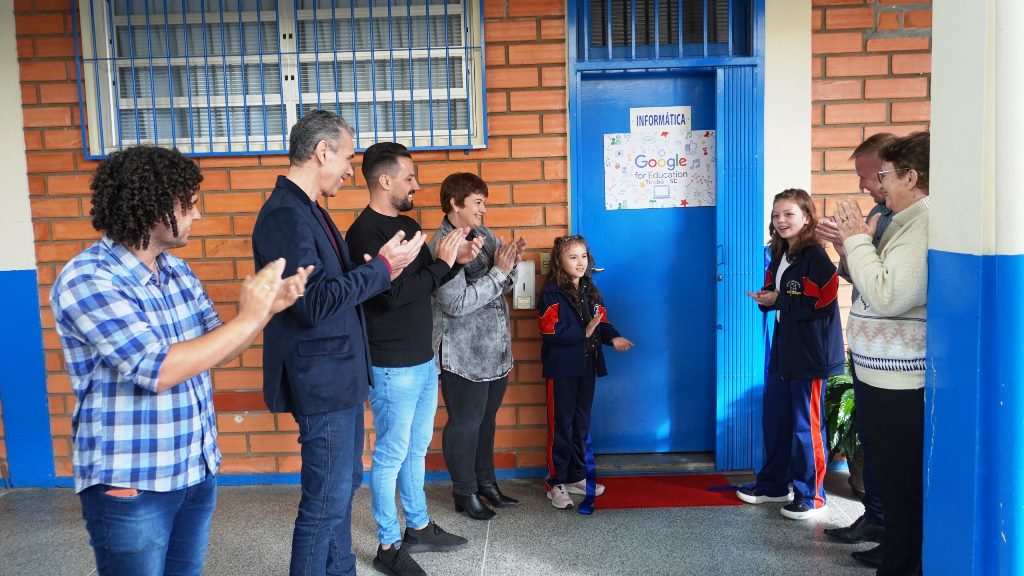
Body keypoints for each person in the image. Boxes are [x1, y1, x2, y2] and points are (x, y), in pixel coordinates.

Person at [51, 146, 310, 576]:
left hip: (194, 469)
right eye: (189, 204)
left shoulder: (177, 272)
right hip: (133, 482)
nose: (198, 215)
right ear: (153, 206)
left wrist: (266, 312)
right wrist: (249, 316)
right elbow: (159, 369)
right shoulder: (89, 279)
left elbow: (220, 346)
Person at [251, 111, 424, 576]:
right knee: (325, 502)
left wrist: (381, 267)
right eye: (347, 157)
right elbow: (313, 303)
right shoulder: (285, 215)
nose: (351, 169)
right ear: (322, 151)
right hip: (321, 378)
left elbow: (334, 286)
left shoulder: (309, 209)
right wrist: (381, 270)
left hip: (340, 375)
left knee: (342, 488)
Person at [346, 143, 478, 576]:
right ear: (385, 180)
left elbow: (428, 281)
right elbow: (393, 296)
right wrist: (440, 266)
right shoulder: (363, 234)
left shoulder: (406, 223)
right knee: (390, 455)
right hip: (391, 366)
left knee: (416, 449)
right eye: (409, 178)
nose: (416, 185)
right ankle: (388, 544)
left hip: (422, 361)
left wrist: (455, 262)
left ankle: (418, 526)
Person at [834, 132, 930, 575]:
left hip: (900, 384)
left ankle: (902, 565)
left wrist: (856, 241)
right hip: (882, 377)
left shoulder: (923, 223)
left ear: (911, 177)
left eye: (884, 176)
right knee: (892, 483)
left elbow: (889, 294)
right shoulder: (904, 220)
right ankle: (896, 556)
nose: (878, 186)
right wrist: (851, 245)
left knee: (900, 486)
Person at [739, 188, 845, 521]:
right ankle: (773, 485)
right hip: (785, 345)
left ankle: (811, 495)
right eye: (776, 215)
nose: (781, 221)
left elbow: (822, 302)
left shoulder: (815, 255)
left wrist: (778, 301)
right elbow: (782, 293)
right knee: (776, 419)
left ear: (807, 217)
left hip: (811, 352)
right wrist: (766, 297)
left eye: (789, 214)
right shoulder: (781, 251)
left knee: (805, 425)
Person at [429, 173, 526, 520]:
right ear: (455, 204)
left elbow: (501, 285)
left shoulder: (482, 235)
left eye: (484, 201)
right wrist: (499, 273)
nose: (484, 209)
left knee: (486, 420)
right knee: (465, 422)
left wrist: (509, 265)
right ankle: (464, 492)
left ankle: (487, 484)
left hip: (494, 349)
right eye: (478, 202)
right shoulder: (443, 245)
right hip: (463, 354)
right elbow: (455, 303)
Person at [816, 133, 896, 554]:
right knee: (873, 441)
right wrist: (841, 246)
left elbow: (886, 288)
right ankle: (876, 519)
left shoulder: (909, 221)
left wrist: (851, 243)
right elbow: (858, 276)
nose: (863, 187)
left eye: (868, 177)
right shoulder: (880, 214)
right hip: (869, 356)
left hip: (895, 363)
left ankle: (888, 529)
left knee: (889, 451)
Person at [537, 235, 634, 510]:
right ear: (560, 261)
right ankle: (555, 481)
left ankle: (576, 476)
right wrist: (584, 332)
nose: (580, 263)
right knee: (561, 426)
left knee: (580, 424)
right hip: (562, 370)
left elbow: (601, 321)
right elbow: (549, 330)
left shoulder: (590, 290)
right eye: (573, 257)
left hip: (586, 368)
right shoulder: (551, 294)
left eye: (583, 257)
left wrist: (613, 338)